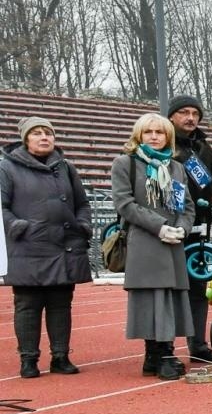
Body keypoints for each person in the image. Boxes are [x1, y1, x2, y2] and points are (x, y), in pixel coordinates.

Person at [0, 116, 92, 377]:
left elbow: (82, 204)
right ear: (25, 138)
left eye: (48, 133)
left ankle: (60, 357)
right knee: (27, 305)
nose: (44, 137)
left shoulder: (65, 167)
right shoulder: (7, 168)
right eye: (37, 133)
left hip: (64, 246)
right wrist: (18, 226)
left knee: (61, 304)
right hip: (28, 247)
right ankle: (28, 359)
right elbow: (0, 206)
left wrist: (83, 225)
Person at [109, 113, 195, 381]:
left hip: (173, 243)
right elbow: (125, 204)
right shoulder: (125, 163)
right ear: (139, 136)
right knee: (151, 298)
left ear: (168, 136)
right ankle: (160, 354)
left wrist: (183, 227)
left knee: (170, 297)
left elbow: (187, 205)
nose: (155, 137)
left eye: (160, 132)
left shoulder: (177, 167)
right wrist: (159, 226)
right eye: (149, 132)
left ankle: (160, 354)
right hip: (146, 241)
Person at [167, 95, 212, 363]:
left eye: (195, 113)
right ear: (171, 116)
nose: (190, 117)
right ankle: (163, 349)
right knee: (168, 289)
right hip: (168, 226)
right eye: (184, 112)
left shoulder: (202, 147)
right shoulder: (163, 145)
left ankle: (198, 346)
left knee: (197, 286)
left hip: (199, 224)